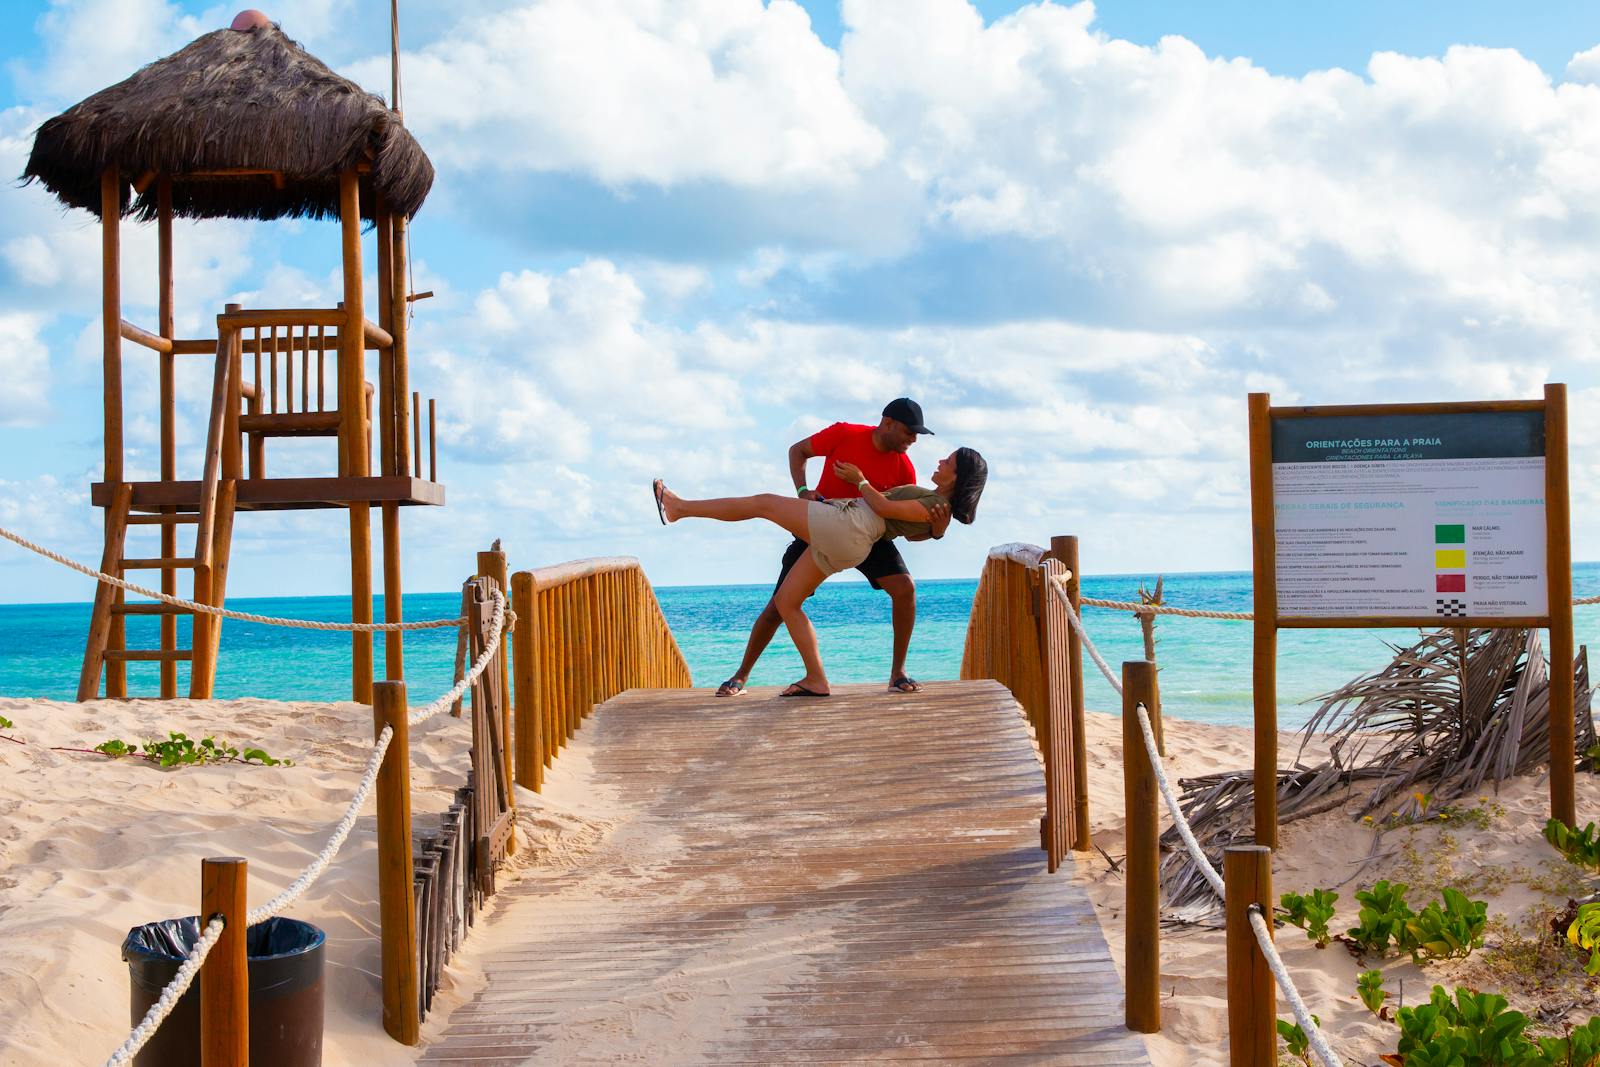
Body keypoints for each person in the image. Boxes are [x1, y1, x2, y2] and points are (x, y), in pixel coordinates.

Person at [654, 446, 988, 698]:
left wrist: (860, 480)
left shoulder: (935, 505)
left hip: (852, 525)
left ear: (957, 477)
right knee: (787, 602)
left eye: (948, 462)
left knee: (764, 503)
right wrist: (936, 532)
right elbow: (907, 528)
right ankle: (816, 678)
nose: (940, 461)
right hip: (852, 541)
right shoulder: (933, 504)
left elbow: (884, 508)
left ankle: (679, 508)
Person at [722, 400, 941, 698]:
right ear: (887, 422)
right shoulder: (845, 434)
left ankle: (897, 673)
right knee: (778, 606)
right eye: (908, 431)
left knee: (905, 589)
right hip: (820, 526)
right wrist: (802, 491)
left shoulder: (905, 469)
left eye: (917, 434)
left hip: (871, 537)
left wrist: (935, 533)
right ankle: (740, 676)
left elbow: (906, 531)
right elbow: (797, 451)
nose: (913, 439)